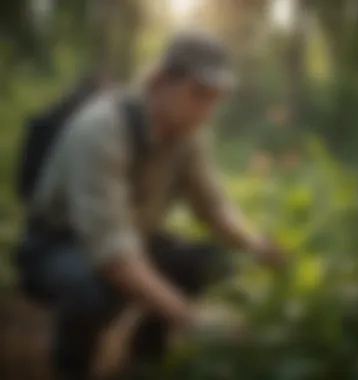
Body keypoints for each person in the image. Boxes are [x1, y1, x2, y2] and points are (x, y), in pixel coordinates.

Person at [17, 30, 285, 380]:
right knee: (93, 291)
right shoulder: (100, 130)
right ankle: (71, 367)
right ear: (160, 81)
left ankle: (145, 359)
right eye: (199, 94)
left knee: (206, 263)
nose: (207, 111)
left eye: (215, 99)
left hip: (129, 238)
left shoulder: (188, 135)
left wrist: (258, 247)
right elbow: (111, 253)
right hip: (57, 244)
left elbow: (213, 207)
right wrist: (190, 317)